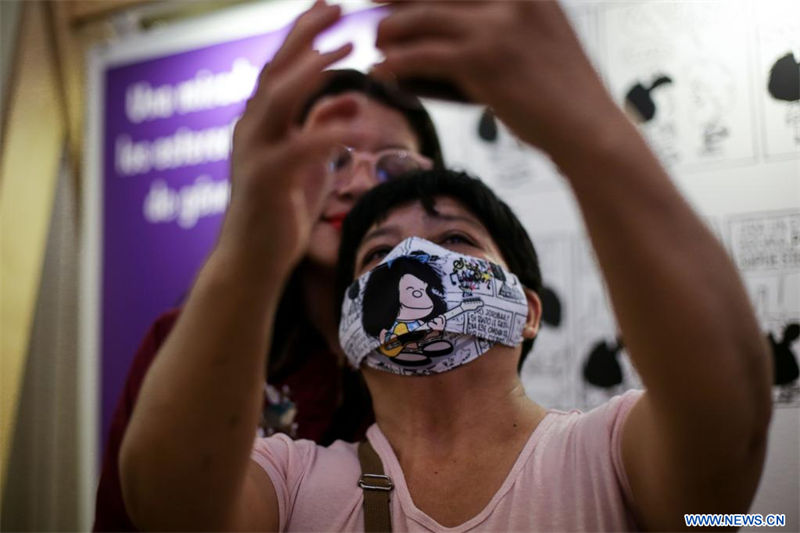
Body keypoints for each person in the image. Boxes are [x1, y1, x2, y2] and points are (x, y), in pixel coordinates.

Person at [119, 1, 772, 531]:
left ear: (529, 310)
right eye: (376, 254)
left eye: (454, 238)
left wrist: (585, 125)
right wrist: (249, 247)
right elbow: (171, 504)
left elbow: (727, 428)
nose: (411, 259)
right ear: (346, 337)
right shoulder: (292, 481)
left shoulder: (608, 455)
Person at [92, 6, 444, 531]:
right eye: (331, 157)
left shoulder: (453, 360)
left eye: (393, 167)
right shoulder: (184, 345)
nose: (358, 185)